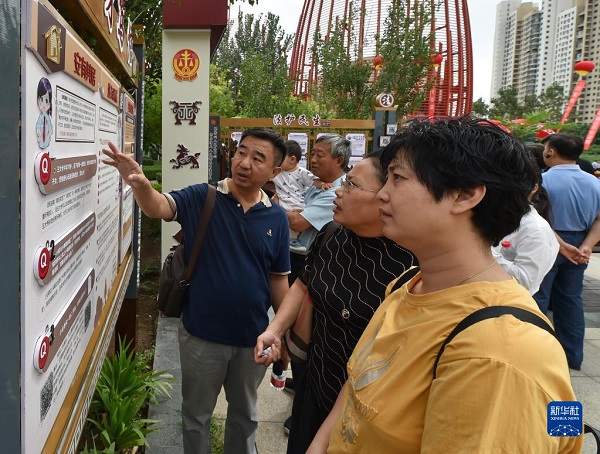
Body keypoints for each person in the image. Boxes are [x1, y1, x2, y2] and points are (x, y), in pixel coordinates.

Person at [309, 117, 581, 453]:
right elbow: (357, 388)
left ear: (464, 196)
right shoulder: (409, 284)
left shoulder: (497, 353)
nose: (382, 194)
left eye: (397, 177)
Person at [102, 128, 291, 454]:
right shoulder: (205, 196)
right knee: (196, 416)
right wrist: (142, 185)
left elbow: (278, 278)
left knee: (245, 416)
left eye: (257, 158)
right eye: (241, 152)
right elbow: (158, 207)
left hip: (253, 338)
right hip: (202, 336)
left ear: (274, 171)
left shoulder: (276, 216)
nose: (244, 162)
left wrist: (281, 332)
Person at [255, 152, 417, 454]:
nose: (339, 191)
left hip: (367, 408)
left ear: (386, 196)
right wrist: (275, 330)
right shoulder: (333, 234)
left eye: (352, 185)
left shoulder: (410, 262)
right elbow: (303, 284)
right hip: (315, 380)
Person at [534, 133, 600, 371]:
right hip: (580, 243)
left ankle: (537, 356)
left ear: (550, 152)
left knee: (538, 298)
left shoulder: (542, 181)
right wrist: (587, 245)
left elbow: (536, 217)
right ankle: (572, 356)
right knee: (571, 300)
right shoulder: (595, 183)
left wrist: (560, 243)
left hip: (548, 240)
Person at [492, 144, 559, 294]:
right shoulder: (493, 216)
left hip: (505, 300)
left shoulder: (535, 229)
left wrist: (482, 252)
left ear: (534, 187)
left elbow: (526, 281)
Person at [286, 134, 352, 284]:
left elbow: (298, 222)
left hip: (309, 262)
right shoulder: (315, 184)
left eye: (320, 155)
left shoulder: (337, 192)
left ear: (339, 160)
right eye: (312, 154)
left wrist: (273, 206)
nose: (313, 159)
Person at [272, 140, 330, 254]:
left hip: (296, 201)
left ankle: (292, 241)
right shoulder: (277, 171)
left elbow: (313, 181)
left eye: (280, 157)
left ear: (292, 159)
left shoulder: (302, 172)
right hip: (282, 199)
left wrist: (323, 184)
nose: (277, 160)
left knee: (293, 220)